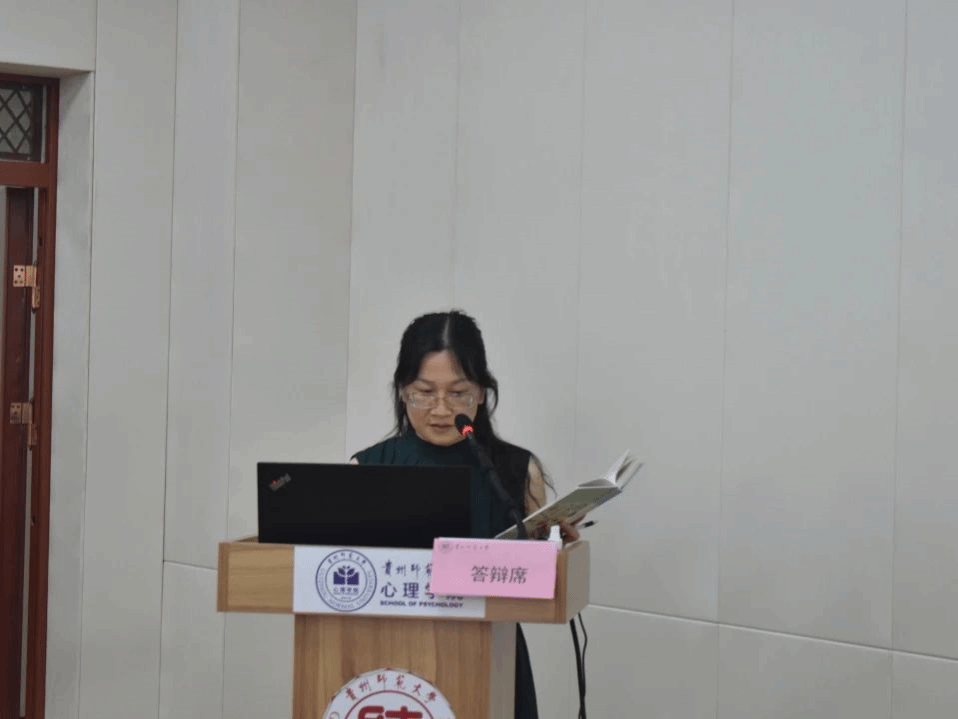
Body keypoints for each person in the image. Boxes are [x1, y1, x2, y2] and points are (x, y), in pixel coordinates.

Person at [351, 309, 577, 719]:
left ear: (482, 393)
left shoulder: (517, 471)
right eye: (424, 392)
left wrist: (558, 546)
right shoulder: (366, 469)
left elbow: (540, 583)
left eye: (458, 393)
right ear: (402, 391)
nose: (441, 409)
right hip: (391, 665)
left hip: (493, 661)